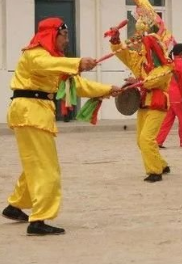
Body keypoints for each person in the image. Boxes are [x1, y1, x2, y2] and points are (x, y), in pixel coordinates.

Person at [2, 17, 119, 235]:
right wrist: (77, 63)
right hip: (31, 113)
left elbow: (76, 85)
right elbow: (43, 64)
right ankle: (39, 220)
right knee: (46, 168)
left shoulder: (55, 61)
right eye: (64, 35)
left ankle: (15, 205)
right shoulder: (34, 54)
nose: (67, 40)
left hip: (33, 113)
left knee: (35, 163)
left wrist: (107, 88)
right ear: (52, 34)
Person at [109, 19, 173, 183]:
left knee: (146, 138)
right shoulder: (137, 58)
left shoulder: (164, 67)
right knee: (141, 140)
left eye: (140, 41)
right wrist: (115, 39)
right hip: (144, 101)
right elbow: (122, 54)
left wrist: (137, 81)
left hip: (157, 102)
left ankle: (154, 172)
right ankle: (161, 164)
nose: (136, 44)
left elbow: (152, 81)